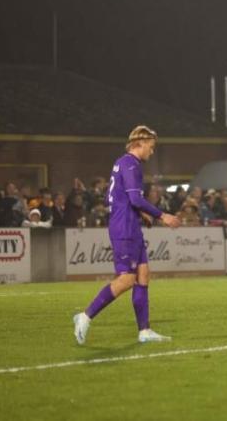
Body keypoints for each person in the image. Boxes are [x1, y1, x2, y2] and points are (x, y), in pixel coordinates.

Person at [73, 126, 181, 345]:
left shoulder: (120, 162)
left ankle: (144, 331)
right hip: (125, 228)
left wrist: (141, 213)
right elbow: (134, 199)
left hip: (130, 225)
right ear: (139, 144)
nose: (152, 152)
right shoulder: (131, 164)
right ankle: (85, 316)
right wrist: (162, 216)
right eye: (151, 147)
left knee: (143, 275)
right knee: (127, 279)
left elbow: (111, 198)